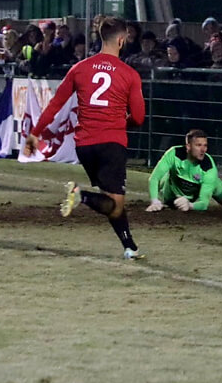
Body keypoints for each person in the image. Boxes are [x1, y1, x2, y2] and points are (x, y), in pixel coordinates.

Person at [23, 16, 148, 259]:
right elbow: (140, 117)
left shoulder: (80, 68)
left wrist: (35, 134)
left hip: (85, 145)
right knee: (115, 203)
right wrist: (124, 123)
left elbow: (55, 104)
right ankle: (81, 195)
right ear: (121, 40)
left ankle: (130, 247)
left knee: (112, 200)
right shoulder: (129, 74)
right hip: (112, 143)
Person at [145, 129, 222, 214]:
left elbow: (203, 203)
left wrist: (190, 205)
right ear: (188, 147)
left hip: (210, 184)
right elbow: (154, 178)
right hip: (171, 184)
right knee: (163, 180)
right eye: (198, 145)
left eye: (205, 146)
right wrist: (154, 201)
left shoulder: (209, 169)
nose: (203, 150)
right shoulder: (173, 154)